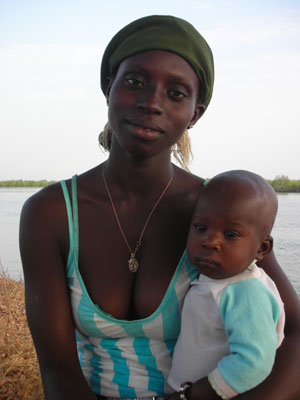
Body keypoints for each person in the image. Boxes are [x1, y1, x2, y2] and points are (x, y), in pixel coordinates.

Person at [19, 15, 300, 400]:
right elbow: (57, 369)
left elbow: (296, 333)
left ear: (195, 114)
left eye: (176, 93)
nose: (151, 103)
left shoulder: (215, 213)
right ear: (108, 87)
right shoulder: (50, 213)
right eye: (134, 82)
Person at [168, 170, 285, 399]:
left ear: (262, 249)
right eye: (201, 228)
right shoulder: (217, 280)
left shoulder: (246, 292)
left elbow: (254, 362)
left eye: (230, 234)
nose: (210, 242)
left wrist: (194, 394)